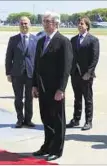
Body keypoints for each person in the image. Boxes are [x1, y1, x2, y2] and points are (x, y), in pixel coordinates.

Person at [31, 11, 73, 161]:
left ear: (56, 23)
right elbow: (37, 65)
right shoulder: (41, 41)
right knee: (46, 118)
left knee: (57, 120)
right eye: (43, 21)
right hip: (42, 88)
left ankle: (57, 149)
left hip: (56, 89)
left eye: (47, 21)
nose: (45, 24)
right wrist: (34, 85)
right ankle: (47, 146)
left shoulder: (63, 41)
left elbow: (66, 68)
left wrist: (61, 89)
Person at [5, 16, 45, 128]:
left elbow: (38, 59)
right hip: (17, 74)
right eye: (22, 23)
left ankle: (28, 120)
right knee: (18, 98)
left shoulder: (36, 40)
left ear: (30, 25)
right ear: (19, 25)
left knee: (29, 98)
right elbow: (9, 57)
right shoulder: (13, 40)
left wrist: (38, 75)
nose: (24, 26)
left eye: (26, 23)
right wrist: (8, 73)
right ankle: (19, 119)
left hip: (31, 74)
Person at [66, 16, 100, 130]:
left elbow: (94, 59)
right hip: (75, 74)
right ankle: (76, 119)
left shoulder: (93, 40)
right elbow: (70, 57)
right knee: (77, 98)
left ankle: (88, 121)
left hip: (86, 75)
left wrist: (89, 73)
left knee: (88, 99)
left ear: (87, 26)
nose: (79, 25)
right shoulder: (73, 39)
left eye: (82, 23)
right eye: (78, 23)